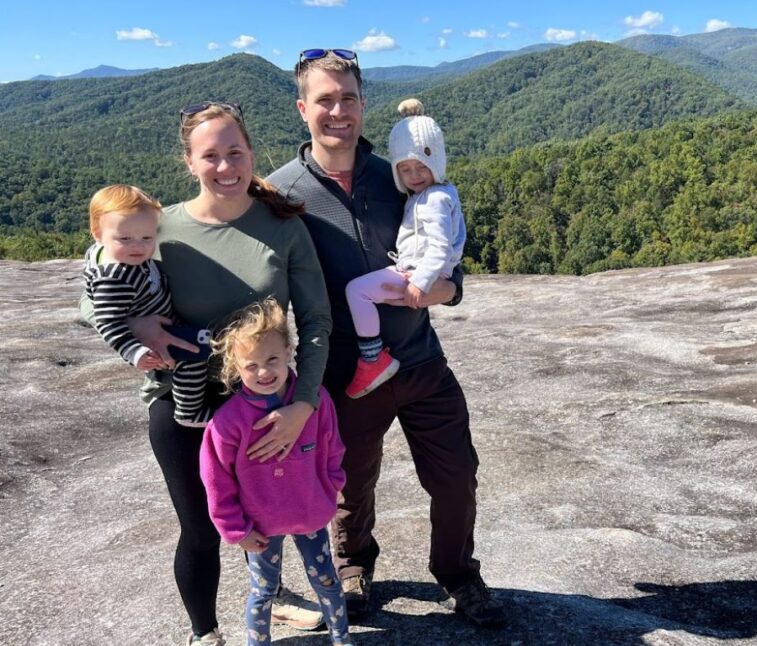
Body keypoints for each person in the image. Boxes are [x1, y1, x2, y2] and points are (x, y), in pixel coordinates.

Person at [268, 48, 507, 628]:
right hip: (347, 371)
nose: (338, 111)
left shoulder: (401, 173)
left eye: (348, 98)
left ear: (363, 103)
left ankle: (457, 574)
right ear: (303, 108)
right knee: (349, 482)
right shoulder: (280, 192)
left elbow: (449, 259)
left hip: (421, 359)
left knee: (456, 475)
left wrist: (445, 292)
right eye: (324, 100)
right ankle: (354, 568)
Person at [81, 101, 332, 645]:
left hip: (264, 403)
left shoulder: (283, 226)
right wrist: (143, 327)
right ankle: (205, 634)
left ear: (251, 154)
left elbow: (315, 321)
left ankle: (273, 595)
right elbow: (93, 292)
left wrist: (303, 404)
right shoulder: (158, 226)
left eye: (234, 153)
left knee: (266, 517)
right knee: (201, 528)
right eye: (210, 156)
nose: (225, 166)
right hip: (181, 405)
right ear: (189, 162)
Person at [199, 298, 353, 646]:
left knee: (327, 581)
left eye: (272, 359)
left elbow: (333, 447)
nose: (263, 372)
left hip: (311, 514)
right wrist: (236, 530)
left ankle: (343, 639)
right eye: (250, 365)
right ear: (235, 366)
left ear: (289, 351)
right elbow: (216, 479)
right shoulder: (228, 422)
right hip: (260, 527)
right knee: (263, 590)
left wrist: (331, 488)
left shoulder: (315, 400)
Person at [343, 98, 466, 399]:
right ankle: (373, 358)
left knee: (356, 291)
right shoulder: (430, 194)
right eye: (405, 169)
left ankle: (372, 359)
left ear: (436, 162)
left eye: (421, 166)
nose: (414, 176)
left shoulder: (434, 199)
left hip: (415, 274)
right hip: (414, 270)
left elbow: (438, 247)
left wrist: (421, 284)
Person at [82, 184, 213, 427]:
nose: (138, 247)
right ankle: (189, 411)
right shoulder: (114, 276)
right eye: (125, 239)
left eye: (147, 238)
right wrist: (135, 352)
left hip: (160, 319)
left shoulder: (115, 256)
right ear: (97, 234)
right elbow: (108, 322)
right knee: (192, 357)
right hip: (157, 338)